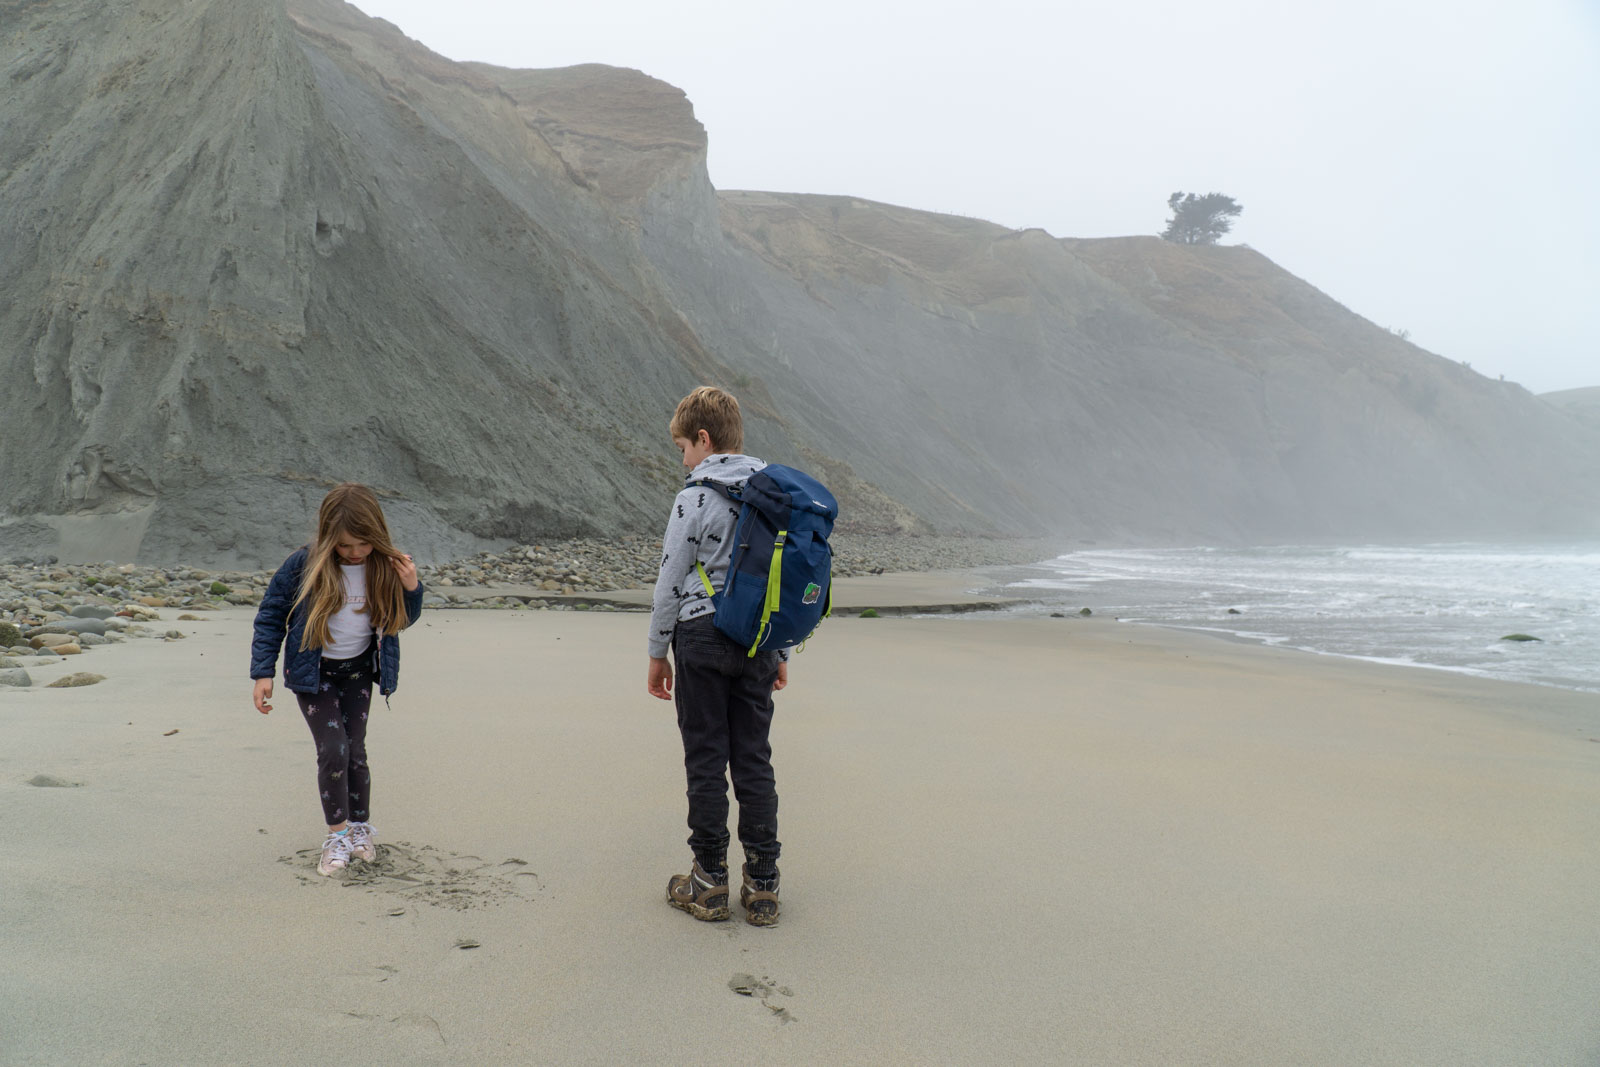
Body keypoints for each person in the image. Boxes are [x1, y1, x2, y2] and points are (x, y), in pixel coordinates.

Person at [646, 386, 788, 926]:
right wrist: (781, 651)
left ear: (703, 440)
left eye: (683, 447)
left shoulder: (695, 497)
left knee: (706, 757)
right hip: (756, 640)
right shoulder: (772, 496)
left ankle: (708, 881)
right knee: (753, 759)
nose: (683, 458)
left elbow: (670, 581)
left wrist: (658, 652)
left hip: (701, 638)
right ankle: (763, 884)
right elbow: (777, 579)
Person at [251, 484, 424, 877]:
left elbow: (402, 619)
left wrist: (412, 586)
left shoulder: (385, 564)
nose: (355, 552)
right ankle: (337, 834)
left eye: (363, 543)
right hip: (315, 676)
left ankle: (361, 828)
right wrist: (263, 672)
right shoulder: (304, 564)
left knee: (355, 750)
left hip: (358, 672)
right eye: (345, 545)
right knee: (333, 749)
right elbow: (271, 616)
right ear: (329, 536)